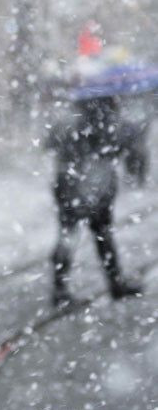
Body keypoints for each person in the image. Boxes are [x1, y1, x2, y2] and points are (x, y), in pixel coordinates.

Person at [47, 95, 142, 307]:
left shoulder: (67, 123)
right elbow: (130, 152)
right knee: (102, 235)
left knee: (68, 234)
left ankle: (59, 289)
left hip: (67, 184)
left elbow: (50, 144)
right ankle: (115, 283)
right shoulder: (114, 125)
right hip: (99, 188)